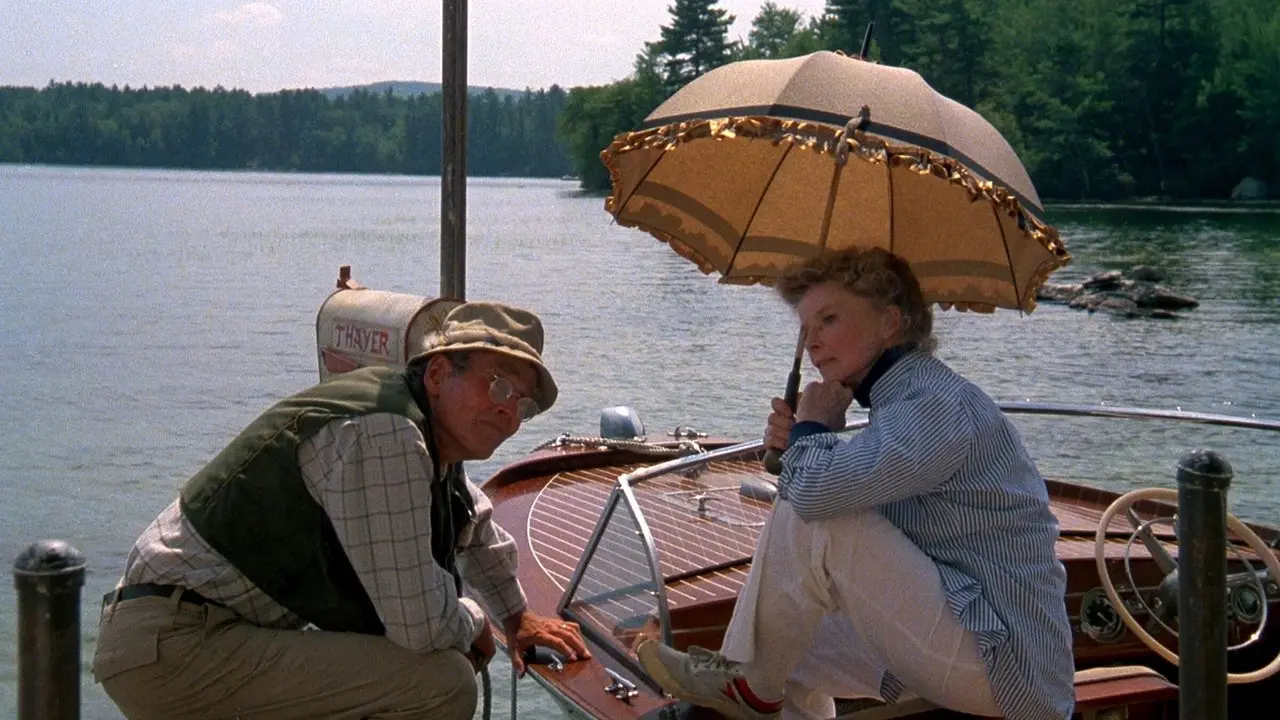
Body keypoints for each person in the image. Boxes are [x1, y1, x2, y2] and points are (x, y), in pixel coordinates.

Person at [92, 300, 590, 720]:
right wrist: (478, 619)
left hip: (183, 634)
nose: (509, 410)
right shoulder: (388, 435)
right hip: (175, 646)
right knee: (442, 682)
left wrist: (517, 617)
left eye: (524, 405)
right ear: (438, 374)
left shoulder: (427, 438)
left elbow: (473, 525)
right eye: (500, 385)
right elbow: (420, 625)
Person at [637, 247, 1074, 720]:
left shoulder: (933, 404)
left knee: (815, 514)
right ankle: (754, 683)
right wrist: (799, 442)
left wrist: (811, 429)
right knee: (788, 647)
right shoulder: (904, 400)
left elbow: (816, 499)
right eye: (806, 327)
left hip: (1007, 669)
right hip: (973, 638)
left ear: (889, 322)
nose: (812, 343)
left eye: (828, 320)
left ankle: (750, 687)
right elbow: (845, 491)